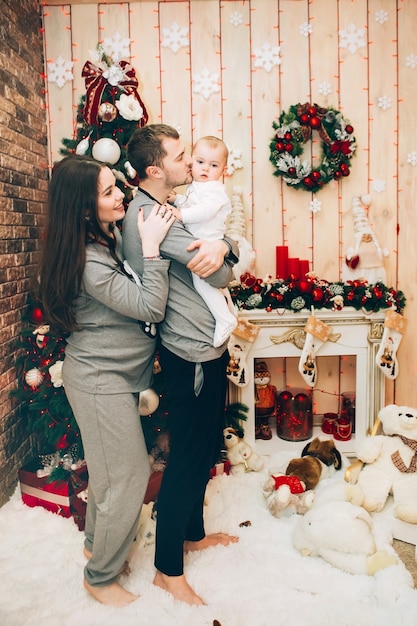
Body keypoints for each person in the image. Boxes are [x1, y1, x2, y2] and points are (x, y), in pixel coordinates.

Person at [38, 155, 175, 607]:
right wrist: (153, 249)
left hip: (113, 376)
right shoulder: (89, 262)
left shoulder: (103, 237)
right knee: (130, 474)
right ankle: (99, 578)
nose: (121, 194)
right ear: (82, 208)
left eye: (115, 185)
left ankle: (96, 544)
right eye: (108, 191)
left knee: (109, 473)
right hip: (100, 381)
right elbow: (150, 306)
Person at [124, 124, 240, 606]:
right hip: (190, 349)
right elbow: (225, 269)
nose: (189, 162)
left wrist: (224, 243)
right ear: (156, 169)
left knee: (205, 442)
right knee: (190, 455)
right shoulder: (154, 216)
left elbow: (221, 246)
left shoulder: (170, 210)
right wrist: (225, 250)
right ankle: (166, 568)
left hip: (203, 346)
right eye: (179, 156)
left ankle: (191, 533)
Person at [168, 136, 237, 347]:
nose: (205, 169)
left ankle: (225, 319)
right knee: (210, 283)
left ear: (223, 170)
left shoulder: (215, 190)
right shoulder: (197, 186)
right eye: (200, 162)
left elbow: (204, 210)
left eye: (213, 165)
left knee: (202, 279)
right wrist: (177, 200)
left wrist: (181, 215)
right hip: (201, 238)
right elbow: (191, 202)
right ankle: (228, 307)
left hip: (208, 238)